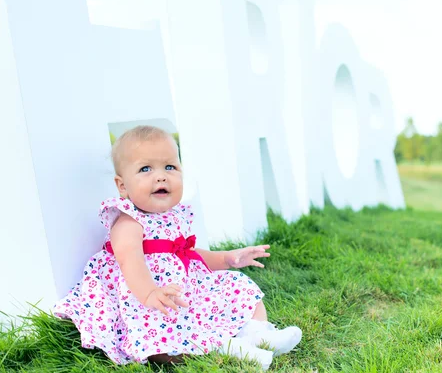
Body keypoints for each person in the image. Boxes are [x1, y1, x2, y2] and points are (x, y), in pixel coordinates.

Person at [53, 125, 302, 371]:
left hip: (186, 288)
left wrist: (228, 259)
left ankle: (258, 333)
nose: (161, 176)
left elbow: (190, 254)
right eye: (145, 168)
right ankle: (231, 348)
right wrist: (150, 293)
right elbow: (130, 259)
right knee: (161, 342)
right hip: (144, 295)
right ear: (123, 186)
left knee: (237, 285)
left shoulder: (175, 216)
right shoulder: (128, 221)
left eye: (170, 166)